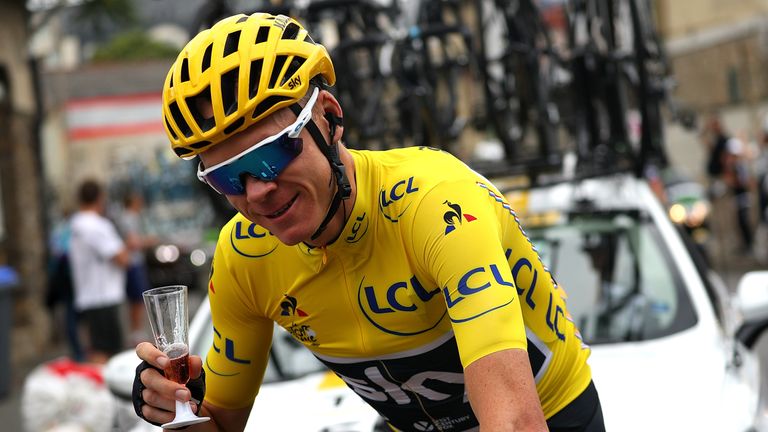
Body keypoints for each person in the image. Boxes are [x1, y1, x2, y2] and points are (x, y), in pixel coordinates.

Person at [133, 13, 604, 431]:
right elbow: (219, 427)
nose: (256, 191)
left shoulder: (436, 206)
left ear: (330, 119)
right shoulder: (244, 258)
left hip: (551, 415)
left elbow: (516, 422)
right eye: (226, 177)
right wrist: (179, 414)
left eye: (272, 154)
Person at [69, 179, 132, 364]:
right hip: (104, 296)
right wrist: (126, 249)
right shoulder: (96, 225)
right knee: (106, 353)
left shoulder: (76, 224)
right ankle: (105, 391)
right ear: (100, 198)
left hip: (90, 296)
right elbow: (122, 258)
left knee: (97, 348)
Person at [116, 190, 157, 345]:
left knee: (137, 298)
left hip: (134, 262)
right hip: (133, 263)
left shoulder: (130, 217)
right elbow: (133, 242)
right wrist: (149, 241)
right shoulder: (129, 218)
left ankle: (137, 330)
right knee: (137, 299)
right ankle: (136, 332)